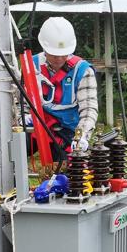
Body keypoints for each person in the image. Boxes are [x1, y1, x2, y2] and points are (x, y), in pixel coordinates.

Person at [25, 16, 98, 161]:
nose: (58, 59)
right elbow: (21, 100)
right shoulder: (31, 65)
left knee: (70, 172)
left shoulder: (82, 71)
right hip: (37, 124)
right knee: (10, 153)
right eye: (54, 54)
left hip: (68, 131)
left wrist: (82, 136)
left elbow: (89, 110)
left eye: (63, 54)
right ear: (44, 47)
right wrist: (23, 116)